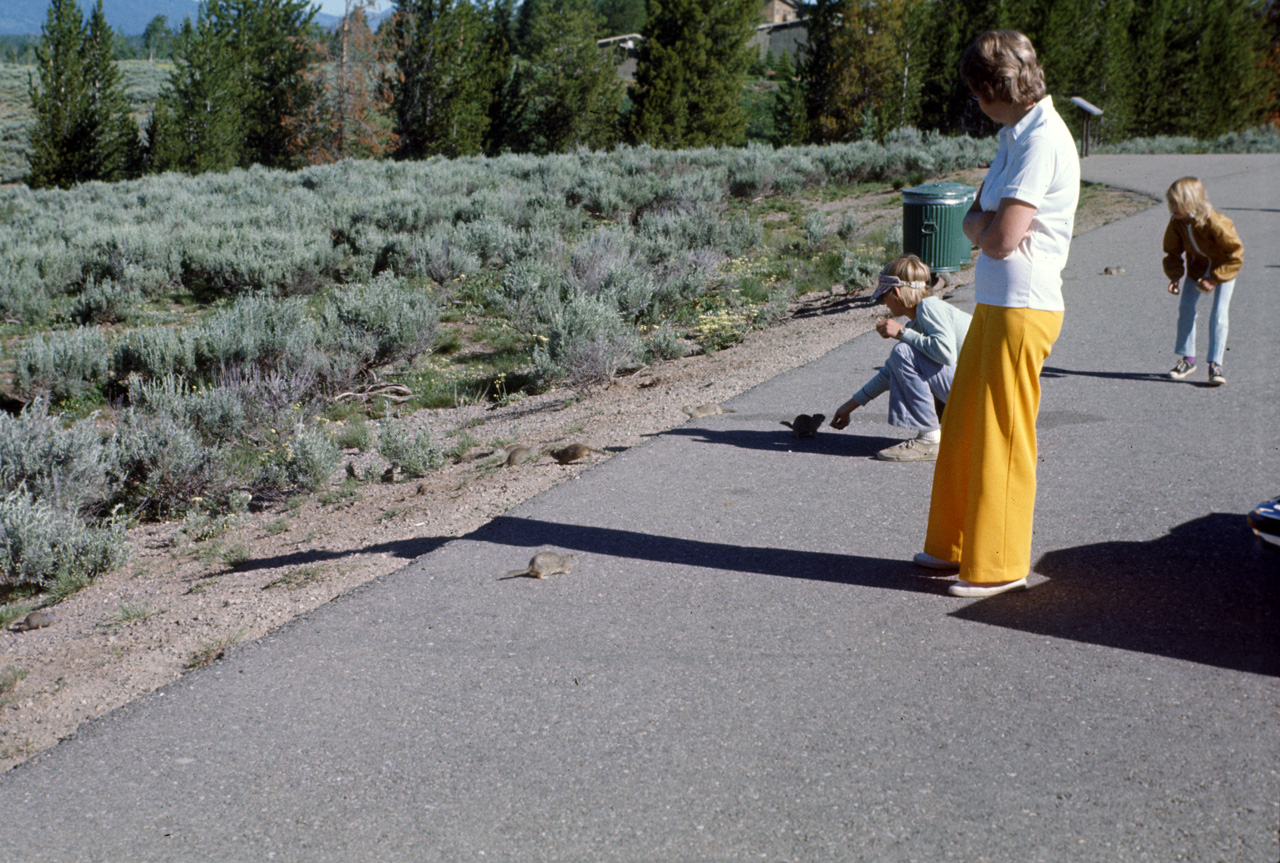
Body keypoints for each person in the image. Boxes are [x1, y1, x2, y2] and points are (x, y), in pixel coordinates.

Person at [915, 30, 1079, 598]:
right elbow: (973, 220)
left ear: (999, 88)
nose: (978, 106)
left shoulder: (1041, 141)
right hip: (999, 302)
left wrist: (981, 225)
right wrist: (980, 225)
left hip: (1024, 305)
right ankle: (954, 545)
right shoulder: (1017, 134)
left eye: (979, 94)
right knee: (965, 425)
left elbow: (1000, 234)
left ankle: (1000, 563)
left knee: (1002, 435)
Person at [829, 254, 971, 461]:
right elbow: (890, 373)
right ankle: (946, 434)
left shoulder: (929, 308)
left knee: (902, 352)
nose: (884, 303)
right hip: (979, 398)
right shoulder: (923, 317)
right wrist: (850, 406)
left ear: (895, 292)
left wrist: (902, 333)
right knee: (903, 354)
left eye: (883, 295)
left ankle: (930, 440)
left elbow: (946, 353)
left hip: (979, 399)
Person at [1162, 176, 1243, 386]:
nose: (1172, 207)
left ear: (1193, 201)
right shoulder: (1177, 222)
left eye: (1176, 203)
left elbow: (1235, 252)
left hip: (1224, 268)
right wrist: (1174, 276)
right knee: (1186, 308)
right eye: (1170, 202)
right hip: (1197, 268)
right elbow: (1172, 251)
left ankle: (1216, 364)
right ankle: (1187, 360)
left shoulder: (1215, 221)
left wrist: (1215, 279)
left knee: (1219, 313)